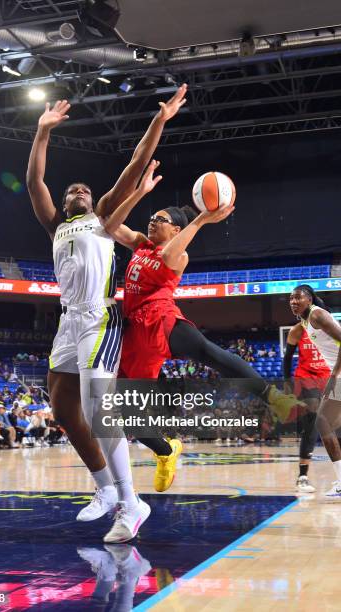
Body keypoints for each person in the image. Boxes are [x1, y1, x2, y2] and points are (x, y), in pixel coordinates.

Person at [26, 86, 187, 542]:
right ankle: (104, 489)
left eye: (85, 188)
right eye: (72, 189)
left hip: (100, 317)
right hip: (67, 320)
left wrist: (160, 121)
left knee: (99, 410)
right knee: (62, 407)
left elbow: (135, 163)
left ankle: (131, 503)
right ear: (64, 201)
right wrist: (42, 133)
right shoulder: (55, 223)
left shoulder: (102, 216)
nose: (80, 190)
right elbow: (36, 181)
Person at [104, 167, 307, 491]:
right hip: (133, 337)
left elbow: (170, 253)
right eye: (152, 218)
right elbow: (109, 224)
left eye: (160, 219)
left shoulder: (178, 255)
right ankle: (166, 452)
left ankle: (273, 397)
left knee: (208, 352)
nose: (152, 222)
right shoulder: (140, 245)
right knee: (128, 413)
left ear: (176, 229)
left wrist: (200, 219)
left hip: (161, 318)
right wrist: (139, 192)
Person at [289, 284, 341, 498]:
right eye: (291, 299)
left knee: (322, 421)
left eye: (298, 298)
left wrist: (335, 374)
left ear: (309, 300)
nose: (293, 302)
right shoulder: (304, 320)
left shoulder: (317, 315)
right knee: (330, 424)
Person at [283, 321, 331, 493]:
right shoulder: (297, 330)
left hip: (328, 376)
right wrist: (287, 381)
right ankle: (302, 477)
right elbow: (288, 358)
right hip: (306, 376)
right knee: (312, 421)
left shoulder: (330, 327)